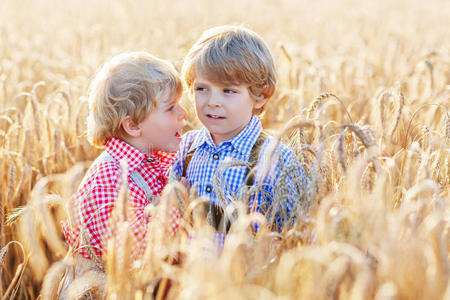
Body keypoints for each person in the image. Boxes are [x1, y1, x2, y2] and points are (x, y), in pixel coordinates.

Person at [170, 25, 306, 239]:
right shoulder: (184, 148)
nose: (213, 102)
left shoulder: (275, 158)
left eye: (228, 91)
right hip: (188, 270)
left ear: (260, 95)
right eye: (202, 88)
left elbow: (292, 234)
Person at [62, 51, 187, 263]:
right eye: (170, 108)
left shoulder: (156, 158)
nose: (183, 112)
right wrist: (174, 207)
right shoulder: (111, 183)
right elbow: (135, 256)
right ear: (133, 125)